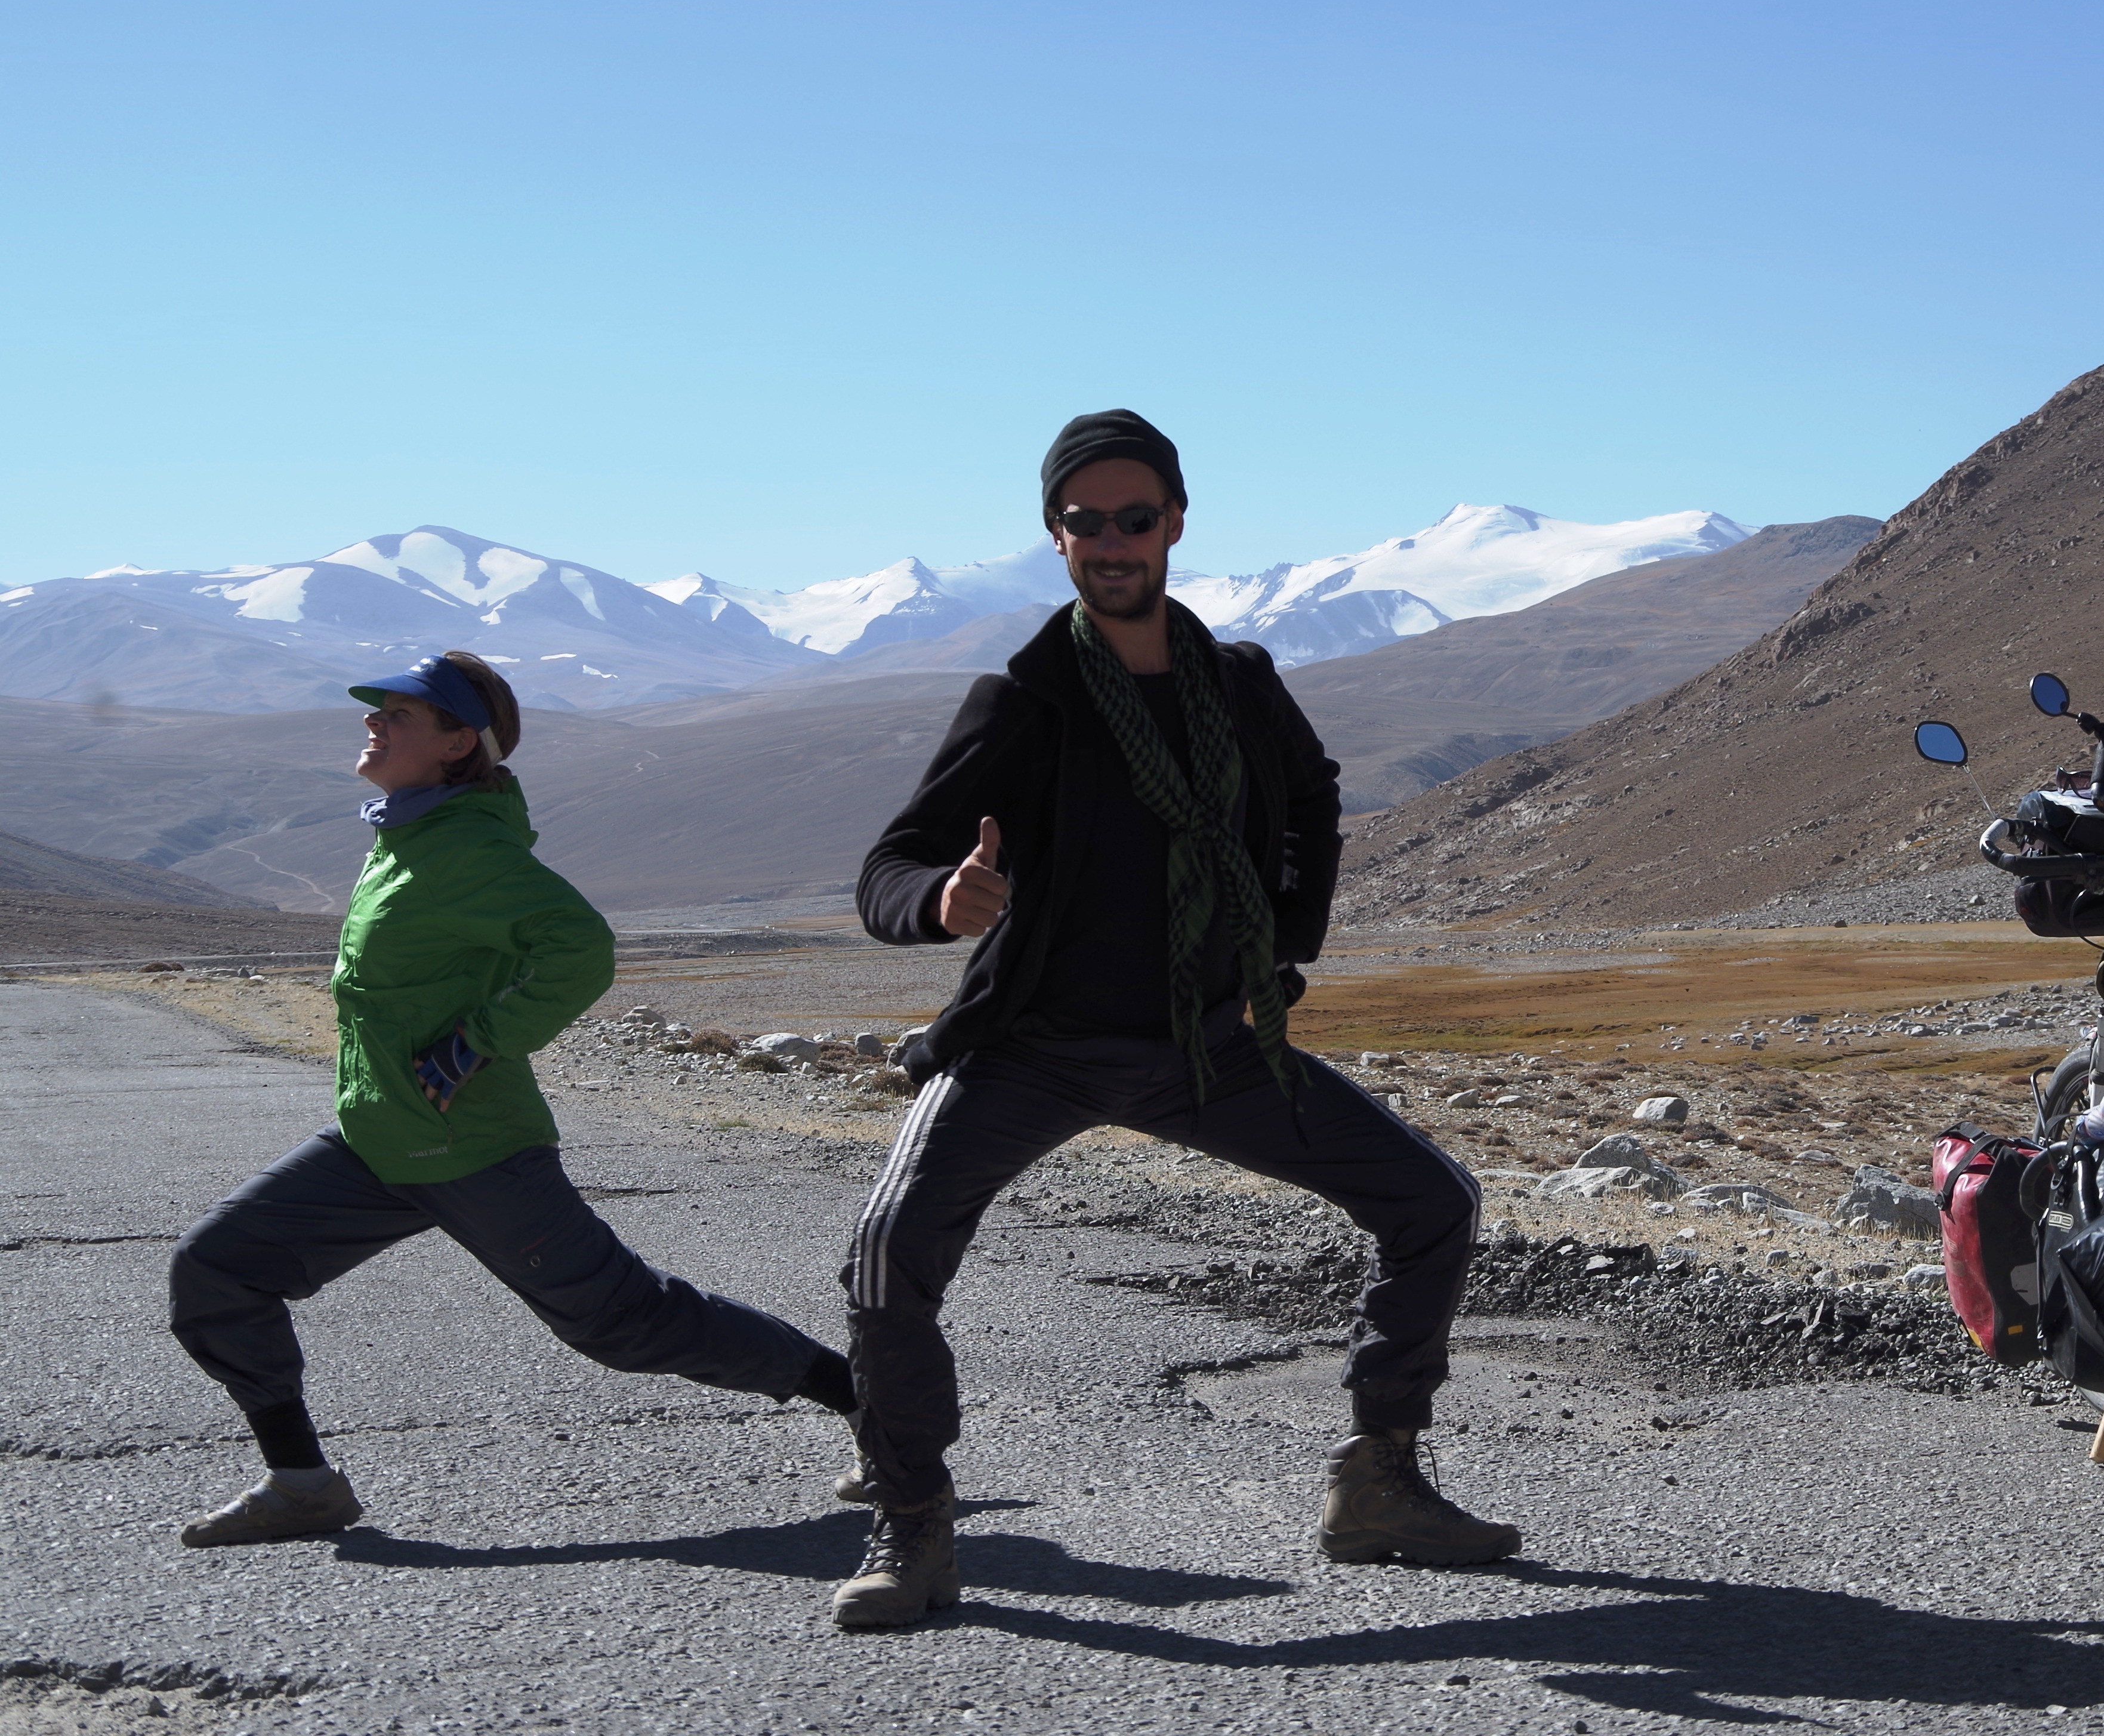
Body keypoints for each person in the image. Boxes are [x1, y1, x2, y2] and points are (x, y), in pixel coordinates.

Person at [828, 409, 1510, 1632]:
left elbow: (1309, 796)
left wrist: (1282, 940)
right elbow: (893, 863)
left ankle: (1379, 1481)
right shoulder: (1026, 701)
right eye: (1084, 522)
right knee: (888, 1254)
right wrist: (938, 901)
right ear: (1056, 537)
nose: (1111, 542)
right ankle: (914, 1522)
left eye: (1133, 518)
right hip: (1035, 1048)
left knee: (1434, 1203)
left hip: (1209, 1046)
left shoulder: (1238, 684)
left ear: (1175, 524)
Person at [168, 651, 856, 1546]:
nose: (374, 722)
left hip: (473, 1148)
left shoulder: (470, 849)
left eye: (400, 714)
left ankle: (871, 1405)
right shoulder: (408, 837)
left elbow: (582, 946)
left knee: (625, 1324)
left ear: (458, 744)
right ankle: (303, 1484)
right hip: (380, 1138)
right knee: (218, 1269)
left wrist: (479, 1041)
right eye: (376, 710)